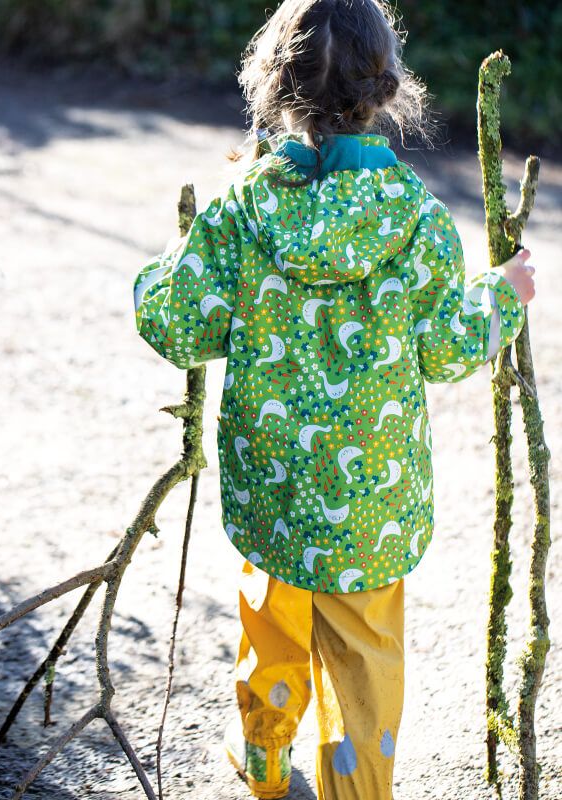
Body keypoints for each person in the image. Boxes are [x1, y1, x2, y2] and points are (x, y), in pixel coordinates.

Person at [133, 1, 536, 797]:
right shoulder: (417, 219)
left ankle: (267, 760)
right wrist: (504, 294)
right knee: (364, 659)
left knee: (271, 629)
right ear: (385, 87)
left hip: (273, 491)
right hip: (371, 504)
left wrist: (176, 254)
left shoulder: (239, 210)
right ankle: (357, 787)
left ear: (275, 81)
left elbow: (175, 323)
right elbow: (448, 348)